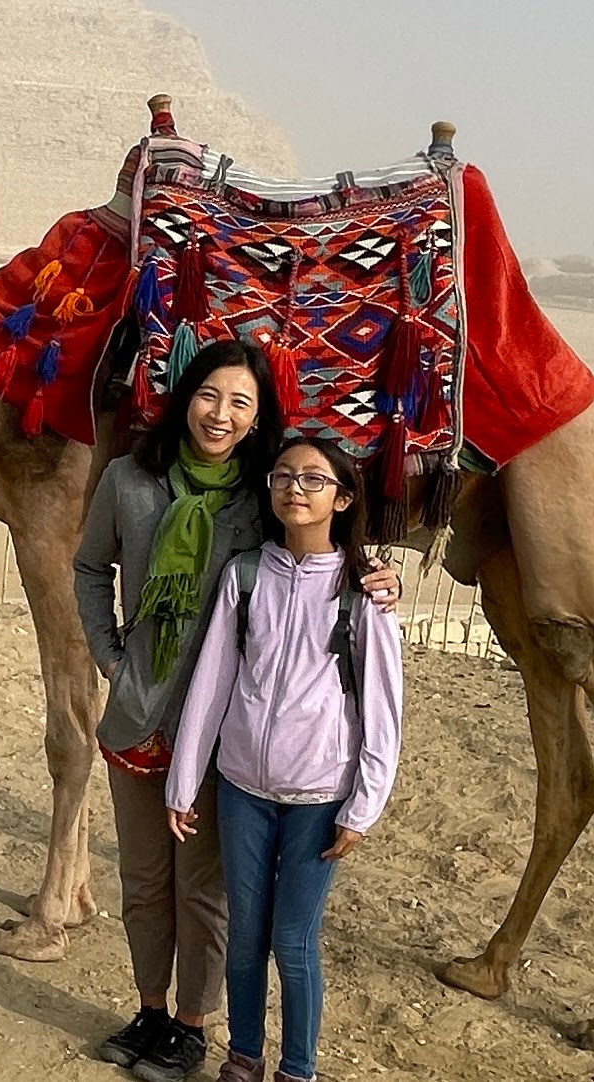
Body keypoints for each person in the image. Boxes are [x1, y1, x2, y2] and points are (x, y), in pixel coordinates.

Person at [77, 343, 398, 1081]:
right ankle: (150, 1010)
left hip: (228, 734)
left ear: (258, 420)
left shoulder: (264, 499)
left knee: (203, 889)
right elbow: (90, 566)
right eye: (209, 396)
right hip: (138, 714)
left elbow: (318, 559)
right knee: (144, 881)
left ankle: (193, 1025)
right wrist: (107, 653)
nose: (220, 414)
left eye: (240, 403)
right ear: (185, 397)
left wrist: (374, 576)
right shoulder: (129, 481)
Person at [167, 436, 406, 1082]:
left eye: (313, 479)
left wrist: (364, 806)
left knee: (292, 941)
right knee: (245, 934)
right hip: (243, 785)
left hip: (320, 796)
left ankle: (297, 1069)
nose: (295, 489)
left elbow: (382, 709)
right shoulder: (245, 576)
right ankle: (244, 1056)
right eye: (283, 477)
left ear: (343, 496)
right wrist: (184, 780)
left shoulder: (364, 594)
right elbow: (213, 681)